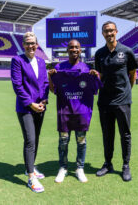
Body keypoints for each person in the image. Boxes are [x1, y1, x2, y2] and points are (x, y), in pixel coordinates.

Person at [48, 39, 101, 183]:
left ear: (81, 50)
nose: (74, 49)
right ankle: (63, 168)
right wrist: (50, 77)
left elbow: (96, 88)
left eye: (77, 47)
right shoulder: (59, 68)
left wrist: (96, 76)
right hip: (64, 111)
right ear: (67, 50)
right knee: (63, 141)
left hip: (82, 113)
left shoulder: (87, 69)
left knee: (81, 141)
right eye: (71, 47)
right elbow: (54, 90)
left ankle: (80, 168)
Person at [95, 21, 138, 182]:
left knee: (125, 134)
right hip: (104, 101)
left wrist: (127, 91)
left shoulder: (127, 51)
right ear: (103, 34)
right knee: (107, 134)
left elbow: (132, 73)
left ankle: (125, 165)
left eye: (111, 30)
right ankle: (108, 164)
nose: (109, 33)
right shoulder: (99, 54)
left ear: (116, 32)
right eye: (106, 31)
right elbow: (99, 75)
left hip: (122, 101)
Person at [11, 32, 49, 193]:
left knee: (36, 139)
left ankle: (30, 168)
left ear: (37, 44)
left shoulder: (41, 61)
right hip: (26, 108)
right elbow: (17, 85)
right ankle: (31, 178)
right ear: (23, 45)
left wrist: (44, 100)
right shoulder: (17, 60)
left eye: (33, 43)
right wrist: (31, 104)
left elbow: (45, 82)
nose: (30, 46)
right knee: (30, 140)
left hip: (40, 107)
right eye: (27, 43)